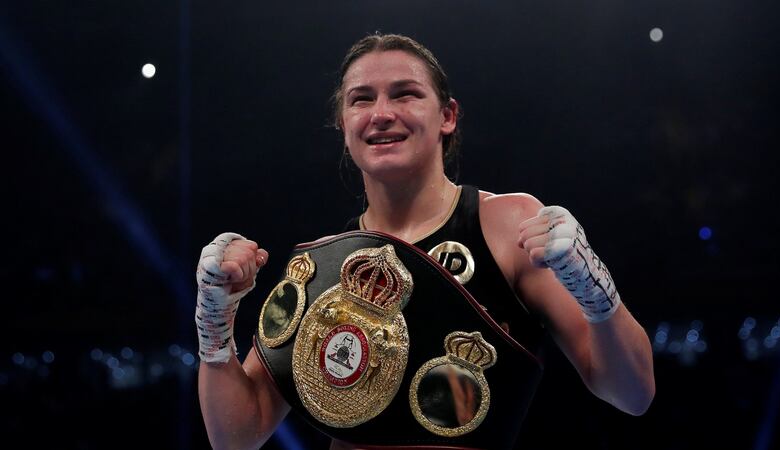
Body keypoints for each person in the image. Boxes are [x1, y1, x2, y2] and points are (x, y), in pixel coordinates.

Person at [195, 33, 655, 450]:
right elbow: (236, 437)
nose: (381, 113)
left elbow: (632, 394)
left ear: (447, 116)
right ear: (343, 123)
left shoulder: (509, 224)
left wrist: (595, 290)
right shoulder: (322, 265)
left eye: (405, 94)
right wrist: (214, 319)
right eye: (361, 99)